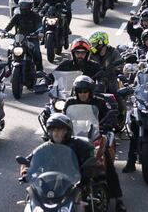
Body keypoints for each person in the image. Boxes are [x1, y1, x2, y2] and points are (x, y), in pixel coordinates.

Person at [63, 76, 127, 212]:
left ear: (90, 91)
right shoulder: (70, 103)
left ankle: (119, 200)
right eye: (79, 91)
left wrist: (110, 121)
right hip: (74, 137)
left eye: (85, 91)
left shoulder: (99, 102)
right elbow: (64, 119)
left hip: (94, 137)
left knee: (108, 165)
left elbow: (109, 116)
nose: (82, 94)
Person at [20, 113, 95, 209]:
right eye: (53, 130)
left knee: (85, 204)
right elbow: (27, 161)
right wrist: (25, 172)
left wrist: (87, 168)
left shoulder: (79, 145)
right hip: (48, 185)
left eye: (60, 130)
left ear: (67, 131)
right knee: (32, 200)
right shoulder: (44, 148)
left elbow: (91, 156)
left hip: (73, 184)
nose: (56, 133)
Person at [1, 0, 43, 71]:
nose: (24, 7)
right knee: (11, 51)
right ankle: (10, 68)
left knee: (37, 53)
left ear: (31, 6)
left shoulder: (35, 16)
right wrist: (4, 32)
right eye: (22, 5)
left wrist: (40, 33)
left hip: (32, 38)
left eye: (26, 5)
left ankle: (40, 71)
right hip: (19, 39)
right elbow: (10, 25)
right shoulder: (17, 16)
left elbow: (40, 26)